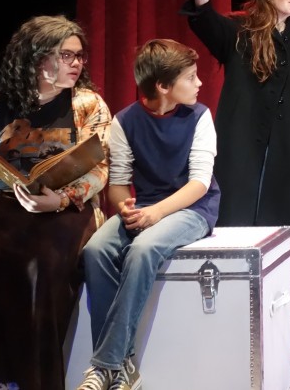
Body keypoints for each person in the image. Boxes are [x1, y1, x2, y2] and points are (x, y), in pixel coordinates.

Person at [0, 16, 112, 390]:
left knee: (42, 265)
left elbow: (100, 170)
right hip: (6, 202)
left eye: (79, 56)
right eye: (66, 56)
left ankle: (34, 380)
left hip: (64, 208)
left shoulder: (87, 103)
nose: (76, 63)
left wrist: (62, 199)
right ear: (36, 59)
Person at [177, 0, 290, 350]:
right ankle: (236, 321)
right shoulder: (241, 32)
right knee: (238, 228)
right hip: (244, 151)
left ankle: (288, 320)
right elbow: (209, 28)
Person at [75, 39, 220, 390]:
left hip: (191, 208)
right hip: (147, 206)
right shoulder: (125, 121)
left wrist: (154, 214)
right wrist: (125, 205)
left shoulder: (200, 116)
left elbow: (199, 183)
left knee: (142, 250)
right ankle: (122, 366)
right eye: (191, 77)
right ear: (163, 86)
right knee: (95, 250)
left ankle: (104, 364)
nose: (199, 84)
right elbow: (120, 183)